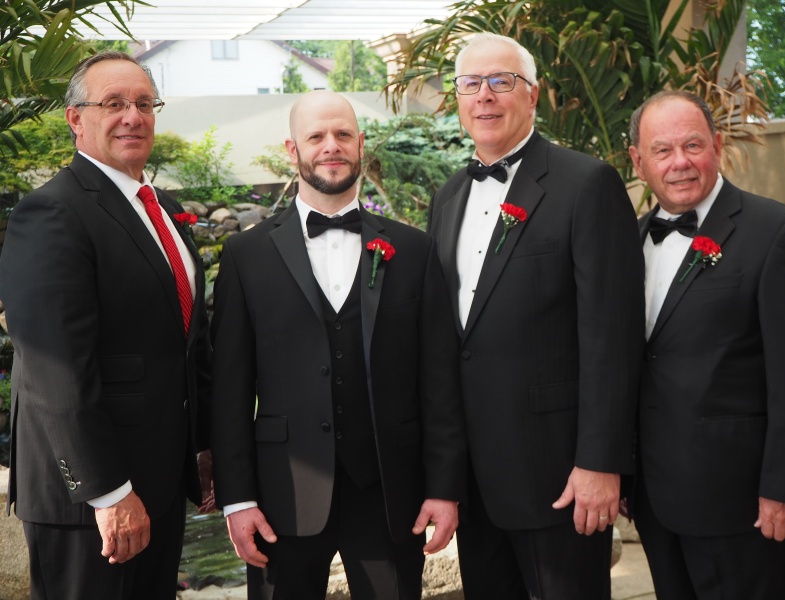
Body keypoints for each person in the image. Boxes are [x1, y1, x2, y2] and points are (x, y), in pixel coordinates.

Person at [210, 90, 467, 600]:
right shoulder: (245, 254)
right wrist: (237, 500)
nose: (332, 145)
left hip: (390, 494)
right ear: (293, 150)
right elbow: (230, 389)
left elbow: (438, 380)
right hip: (282, 496)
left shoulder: (413, 250)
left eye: (343, 134)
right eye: (316, 136)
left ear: (360, 144)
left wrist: (443, 488)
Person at [427, 33, 644, 599]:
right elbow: (451, 344)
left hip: (561, 478)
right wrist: (445, 475)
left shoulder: (586, 184)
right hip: (477, 485)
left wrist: (600, 463)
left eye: (502, 81)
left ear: (533, 95)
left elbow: (612, 338)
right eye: (471, 83)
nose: (485, 95)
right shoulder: (447, 198)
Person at [0, 51, 213, 600]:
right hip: (89, 503)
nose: (132, 117)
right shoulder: (52, 212)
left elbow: (185, 343)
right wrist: (109, 493)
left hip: (158, 486)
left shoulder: (160, 207)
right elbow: (54, 370)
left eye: (144, 103)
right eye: (113, 103)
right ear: (76, 118)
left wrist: (204, 447)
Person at [629, 90, 785, 599]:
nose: (679, 162)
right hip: (653, 498)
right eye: (662, 150)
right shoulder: (627, 241)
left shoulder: (776, 232)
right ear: (638, 162)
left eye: (693, 145)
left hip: (742, 503)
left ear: (718, 146)